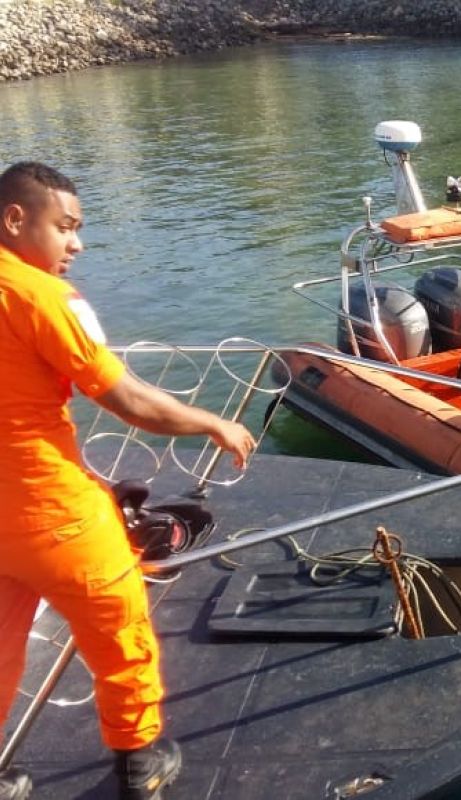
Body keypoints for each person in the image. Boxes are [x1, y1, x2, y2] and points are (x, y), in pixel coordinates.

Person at [0, 162, 256, 800]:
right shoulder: (44, 297)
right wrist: (212, 423)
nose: (77, 245)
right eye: (65, 228)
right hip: (53, 513)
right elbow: (128, 400)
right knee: (121, 630)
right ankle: (140, 762)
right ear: (14, 220)